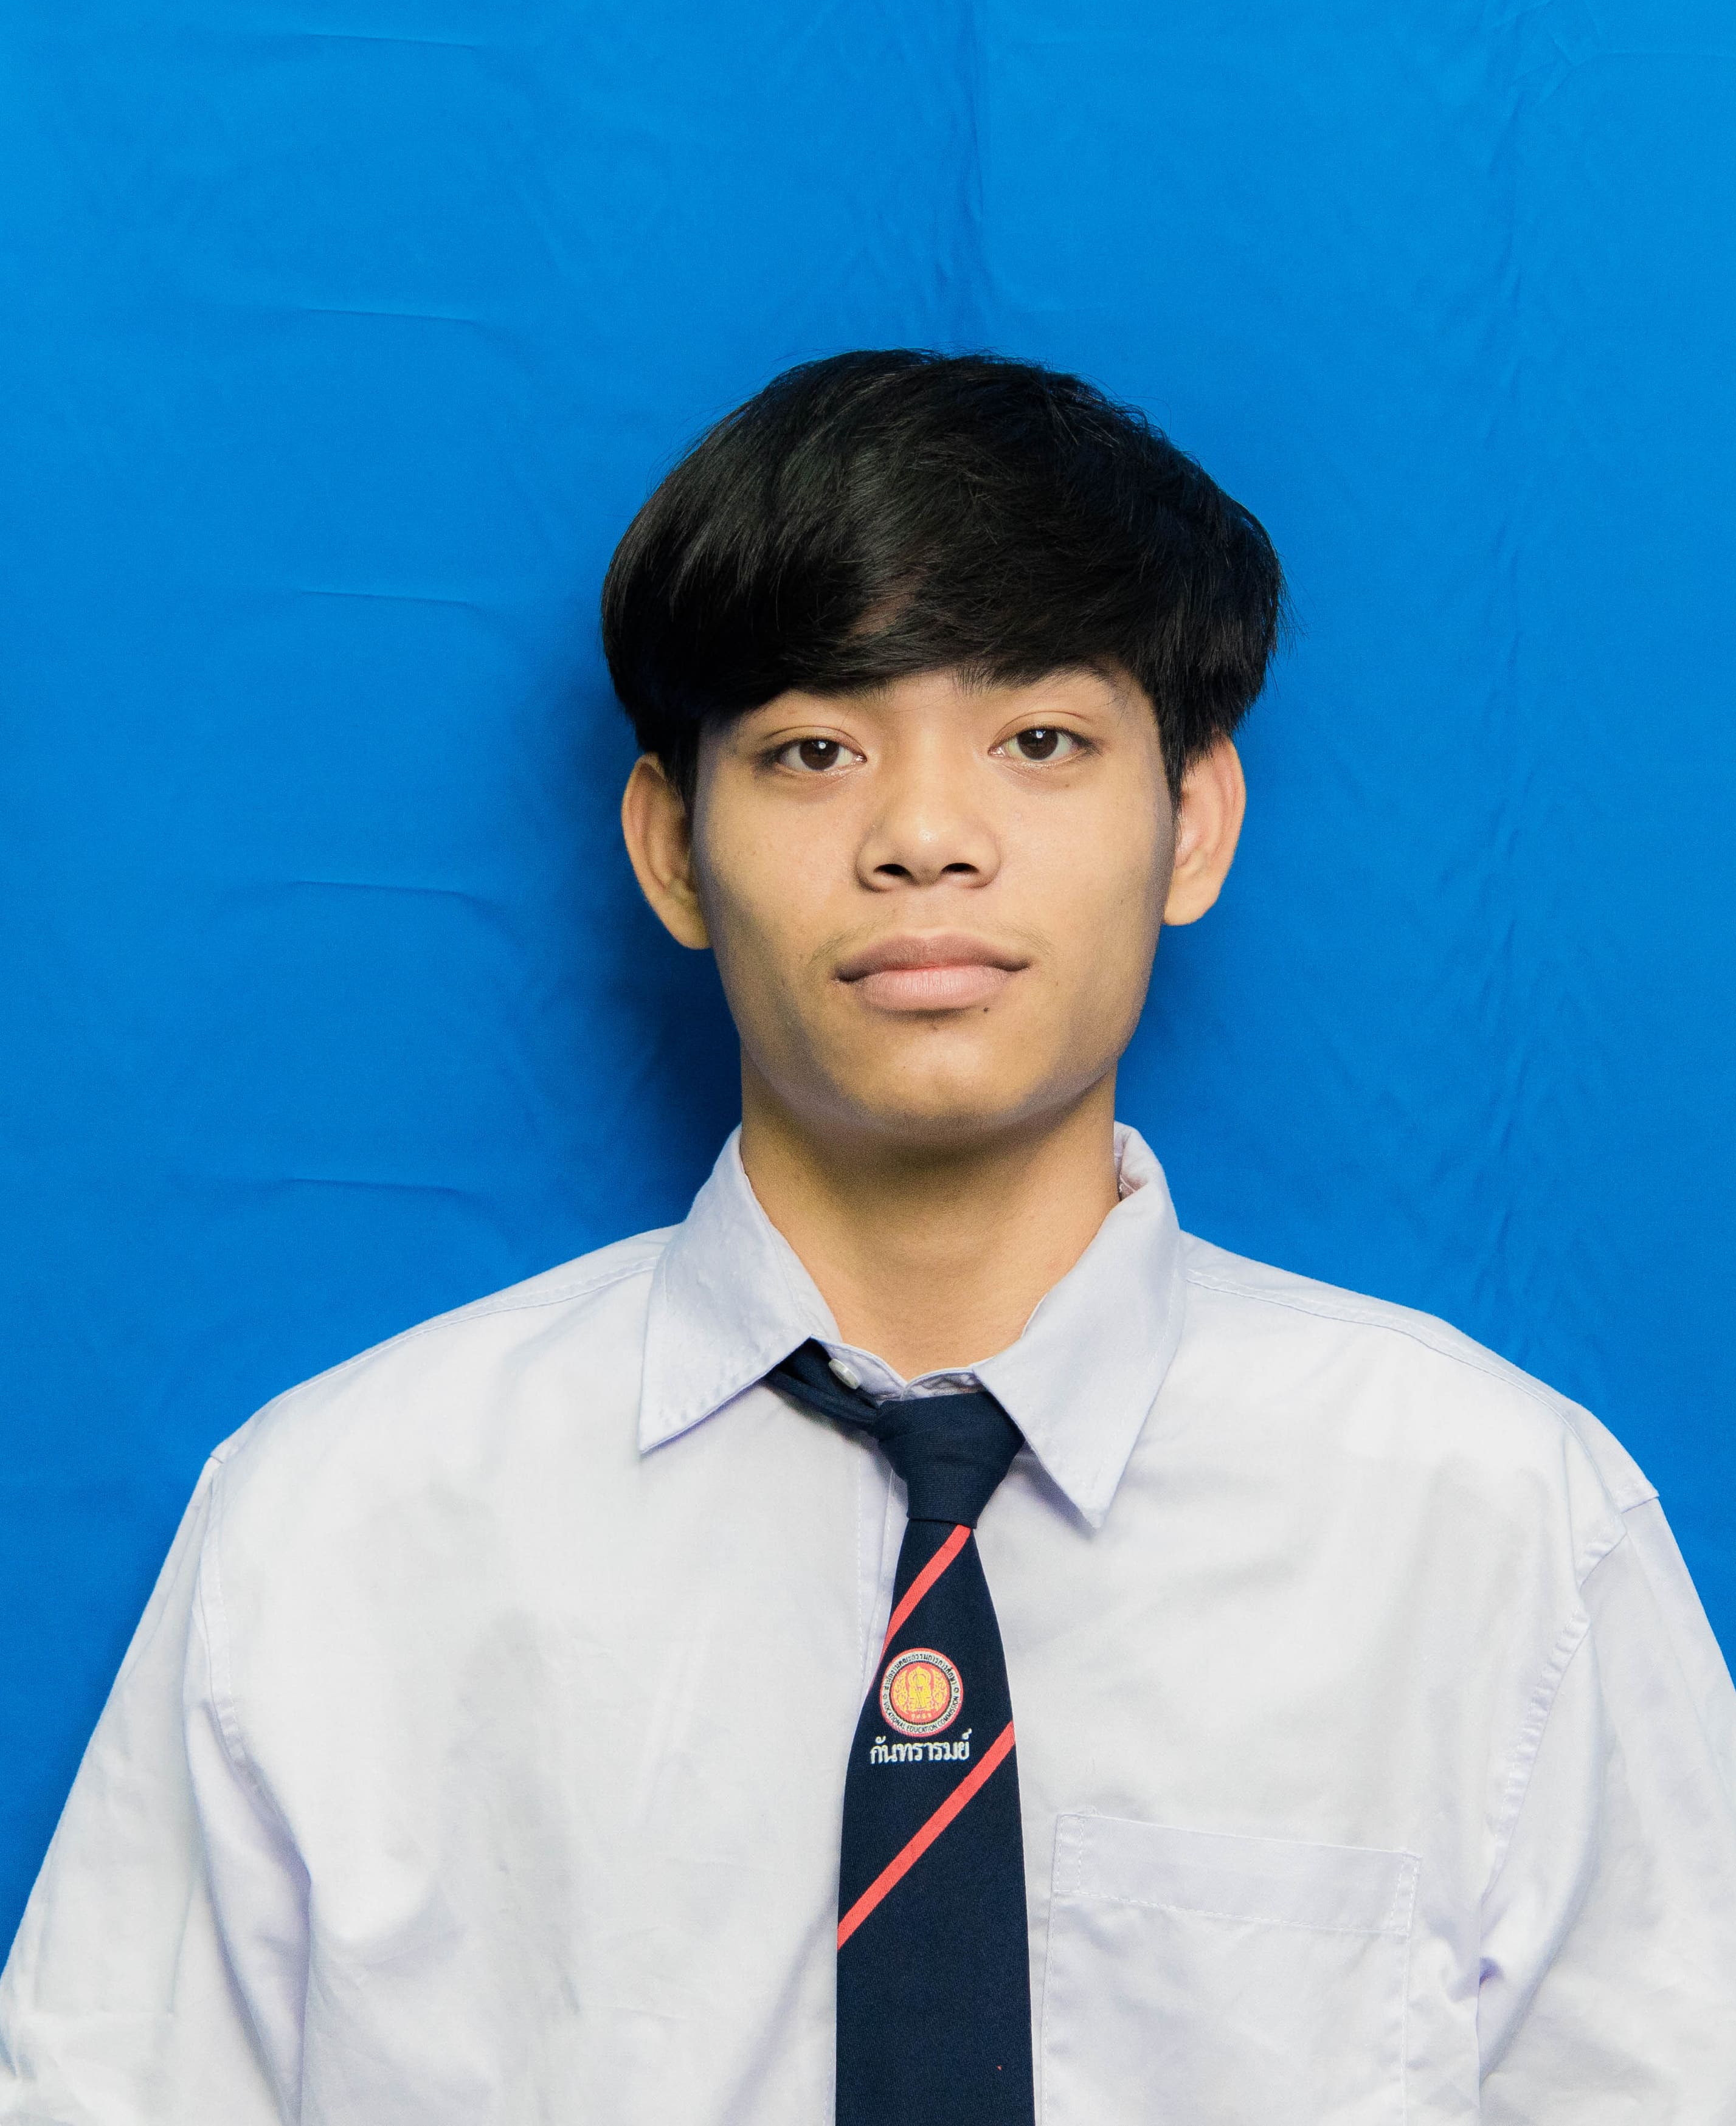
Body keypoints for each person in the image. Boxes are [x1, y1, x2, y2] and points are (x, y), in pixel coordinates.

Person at [2, 350, 1732, 2125]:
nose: (923, 838)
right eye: (814, 749)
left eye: (1040, 741)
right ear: (673, 848)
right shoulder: (338, 1532)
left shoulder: (1502, 1532)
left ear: (1194, 824)